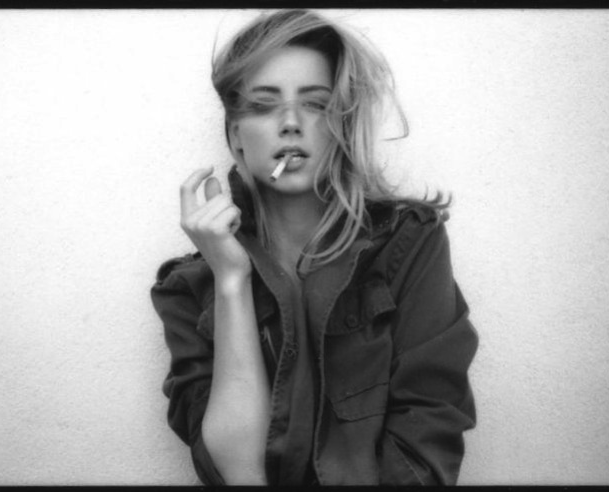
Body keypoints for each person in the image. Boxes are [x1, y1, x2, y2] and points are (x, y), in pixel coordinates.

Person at [150, 9, 477, 486]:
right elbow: (237, 472)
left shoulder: (407, 245)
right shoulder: (188, 288)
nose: (290, 123)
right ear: (236, 136)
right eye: (264, 105)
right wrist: (231, 281)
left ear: (342, 124)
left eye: (316, 103)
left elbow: (428, 434)